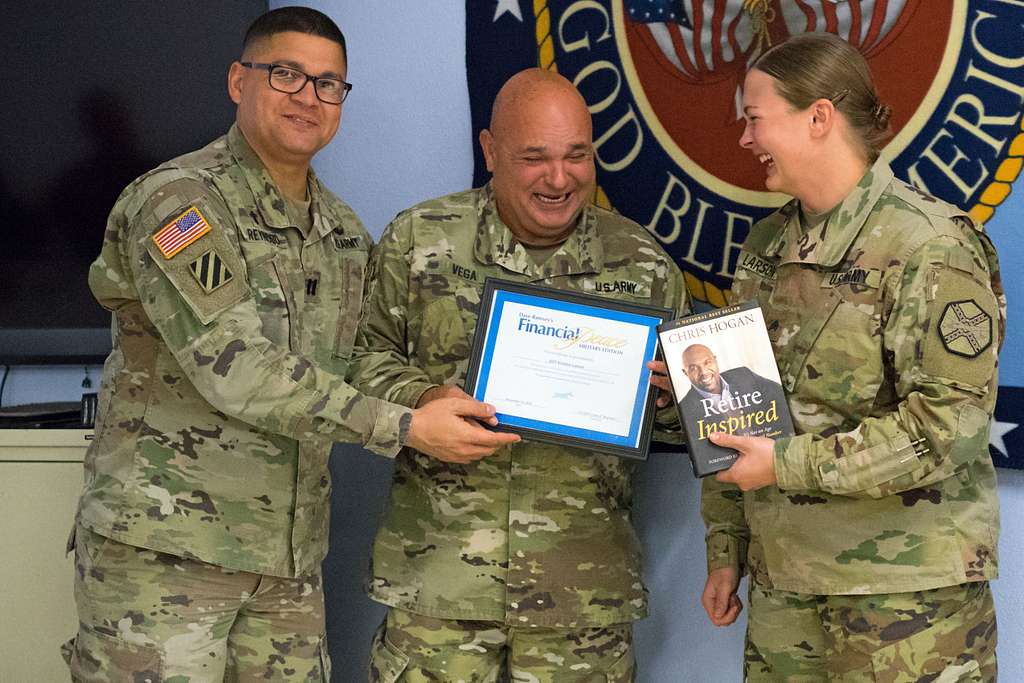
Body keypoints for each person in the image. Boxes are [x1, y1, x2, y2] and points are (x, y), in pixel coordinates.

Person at [64, 7, 517, 681]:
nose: (308, 96)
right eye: (286, 74)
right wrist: (405, 425)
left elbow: (359, 354)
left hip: (286, 566)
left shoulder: (340, 231)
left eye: (328, 83)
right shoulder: (180, 205)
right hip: (166, 559)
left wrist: (426, 394)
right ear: (237, 81)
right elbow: (234, 365)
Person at [349, 68, 690, 682]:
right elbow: (359, 360)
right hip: (440, 580)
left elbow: (687, 419)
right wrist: (423, 399)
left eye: (576, 156)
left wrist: (671, 399)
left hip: (580, 592)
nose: (559, 179)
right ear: (489, 151)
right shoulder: (418, 241)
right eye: (535, 157)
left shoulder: (642, 264)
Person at [700, 32, 1004, 680]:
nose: (746, 139)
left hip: (905, 601)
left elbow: (948, 427)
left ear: (817, 118)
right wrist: (726, 548)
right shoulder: (766, 245)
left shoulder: (928, 245)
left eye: (755, 119)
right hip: (785, 588)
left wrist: (785, 462)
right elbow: (738, 412)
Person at [678, 343, 784, 421]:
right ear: (685, 373)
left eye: (707, 362)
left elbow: (779, 394)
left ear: (715, 360)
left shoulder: (743, 374)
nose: (704, 372)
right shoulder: (685, 409)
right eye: (693, 368)